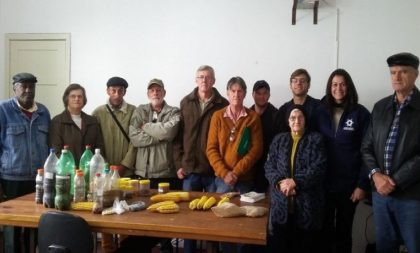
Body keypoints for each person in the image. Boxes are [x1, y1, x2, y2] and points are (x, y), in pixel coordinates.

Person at [361, 52, 420, 253]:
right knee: (385, 247)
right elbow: (366, 147)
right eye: (393, 72)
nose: (397, 77)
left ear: (416, 74)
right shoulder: (380, 107)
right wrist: (376, 176)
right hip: (381, 195)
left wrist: (394, 181)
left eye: (403, 72)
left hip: (412, 196)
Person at [314, 69, 371, 253]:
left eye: (343, 84)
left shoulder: (361, 114)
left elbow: (368, 152)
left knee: (344, 233)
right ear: (330, 87)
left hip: (350, 186)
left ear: (349, 86)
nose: (338, 88)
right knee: (323, 232)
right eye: (334, 84)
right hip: (324, 184)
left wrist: (362, 184)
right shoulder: (320, 112)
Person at [173, 65, 228, 253]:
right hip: (190, 170)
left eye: (208, 77)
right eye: (200, 77)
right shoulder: (185, 102)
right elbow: (177, 137)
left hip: (213, 171)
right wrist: (179, 163)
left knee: (213, 217)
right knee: (189, 218)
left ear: (213, 80)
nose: (204, 80)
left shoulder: (223, 104)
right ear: (196, 80)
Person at [265, 105, 327, 253]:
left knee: (305, 246)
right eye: (293, 118)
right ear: (288, 121)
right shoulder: (279, 139)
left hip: (308, 206)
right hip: (281, 204)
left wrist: (295, 182)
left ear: (305, 120)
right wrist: (280, 182)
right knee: (280, 246)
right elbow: (269, 166)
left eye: (300, 117)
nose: (296, 121)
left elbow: (319, 167)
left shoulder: (316, 139)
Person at [128, 78, 181, 253]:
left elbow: (169, 131)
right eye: (152, 90)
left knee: (165, 216)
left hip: (165, 174)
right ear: (148, 94)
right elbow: (134, 137)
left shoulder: (174, 111)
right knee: (142, 215)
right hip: (142, 174)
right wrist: (158, 135)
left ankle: (167, 249)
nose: (155, 93)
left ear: (164, 93)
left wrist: (147, 127)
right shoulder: (139, 110)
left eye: (159, 90)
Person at [0, 73, 50, 253]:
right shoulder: (3, 109)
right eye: (23, 86)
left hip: (38, 179)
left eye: (31, 86)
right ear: (15, 88)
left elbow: (48, 146)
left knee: (36, 225)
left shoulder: (43, 112)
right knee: (12, 228)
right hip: (11, 179)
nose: (28, 90)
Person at [92, 76, 136, 253]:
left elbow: (136, 142)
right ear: (107, 91)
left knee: (127, 214)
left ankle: (125, 248)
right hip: (104, 174)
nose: (116, 94)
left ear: (125, 92)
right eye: (113, 90)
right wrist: (105, 167)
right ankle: (107, 248)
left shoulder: (134, 111)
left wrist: (125, 165)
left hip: (128, 172)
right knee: (106, 213)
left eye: (120, 90)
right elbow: (95, 141)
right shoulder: (98, 112)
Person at [207, 76, 263, 194]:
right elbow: (211, 149)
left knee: (245, 211)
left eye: (239, 91)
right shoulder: (217, 117)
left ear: (244, 94)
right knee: (220, 210)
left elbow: (256, 150)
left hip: (245, 179)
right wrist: (225, 173)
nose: (236, 94)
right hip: (223, 179)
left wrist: (236, 172)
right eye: (233, 91)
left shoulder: (253, 118)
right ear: (227, 93)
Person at [49, 83, 104, 163]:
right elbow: (56, 151)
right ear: (66, 99)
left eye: (80, 96)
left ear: (84, 99)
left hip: (90, 171)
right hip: (67, 171)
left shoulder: (93, 121)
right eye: (73, 96)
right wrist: (70, 168)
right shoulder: (57, 122)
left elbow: (99, 148)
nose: (77, 99)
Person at [250, 80, 278, 193]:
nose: (262, 96)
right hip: (249, 168)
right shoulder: (246, 114)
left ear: (269, 95)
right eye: (258, 93)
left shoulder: (277, 115)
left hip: (269, 168)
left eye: (265, 93)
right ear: (253, 95)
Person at [275, 68, 320, 133]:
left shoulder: (318, 106)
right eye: (295, 81)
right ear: (290, 85)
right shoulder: (283, 110)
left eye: (302, 81)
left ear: (308, 85)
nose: (298, 83)